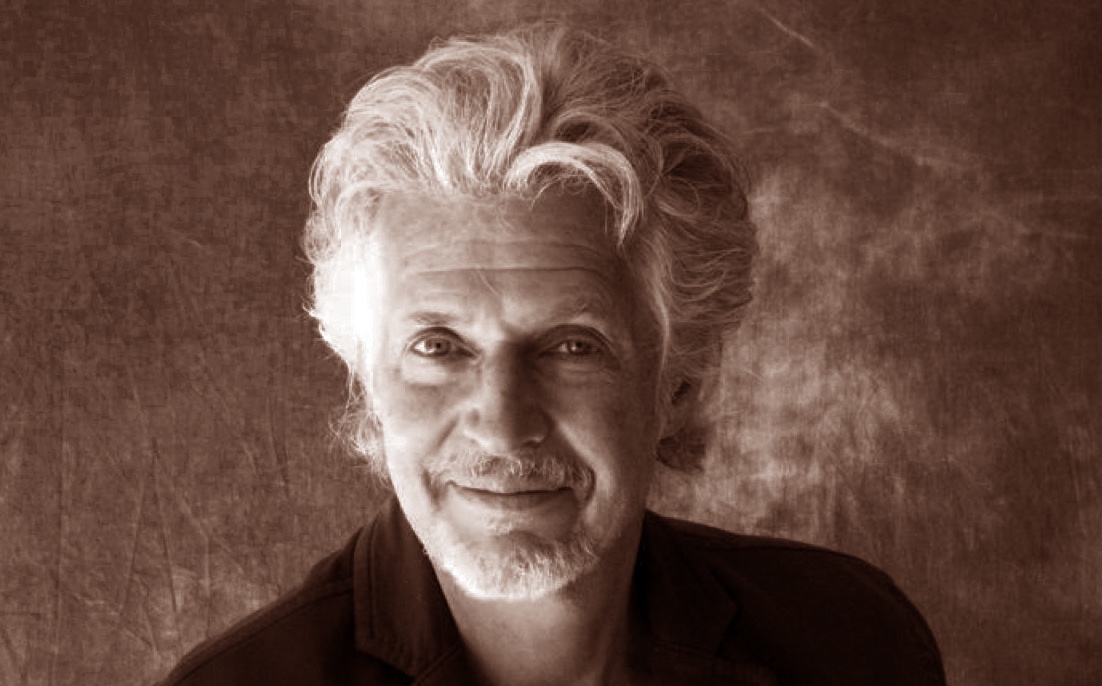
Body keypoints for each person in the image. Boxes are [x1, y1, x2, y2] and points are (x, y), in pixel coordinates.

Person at [159, 23, 945, 686]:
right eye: (437, 346)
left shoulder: (851, 643)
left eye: (572, 346)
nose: (503, 426)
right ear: (368, 381)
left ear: (679, 382)